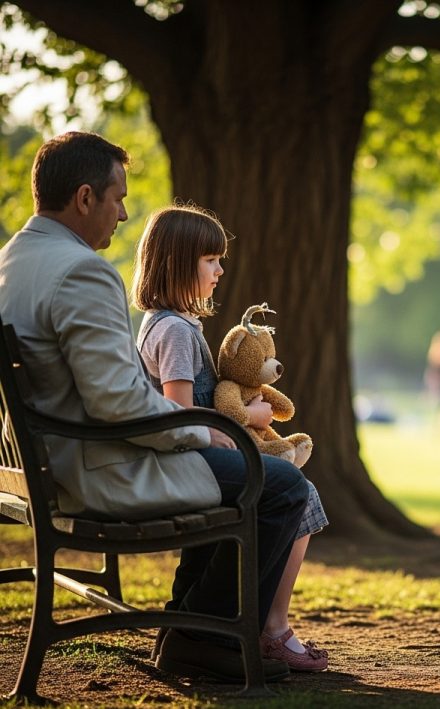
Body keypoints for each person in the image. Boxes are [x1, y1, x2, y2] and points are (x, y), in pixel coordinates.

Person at [0, 131, 310, 683]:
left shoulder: (11, 262)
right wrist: (204, 432)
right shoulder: (80, 271)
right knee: (280, 484)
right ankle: (202, 638)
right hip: (97, 467)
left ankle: (187, 627)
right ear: (85, 197)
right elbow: (119, 402)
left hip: (43, 463)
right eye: (117, 199)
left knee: (243, 472)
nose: (122, 215)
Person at [131, 203, 329, 672]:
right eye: (210, 260)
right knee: (295, 493)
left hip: (189, 457)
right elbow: (181, 413)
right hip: (188, 461)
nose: (220, 270)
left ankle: (228, 625)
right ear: (178, 263)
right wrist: (246, 419)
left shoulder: (168, 323)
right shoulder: (175, 332)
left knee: (294, 491)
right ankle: (268, 629)